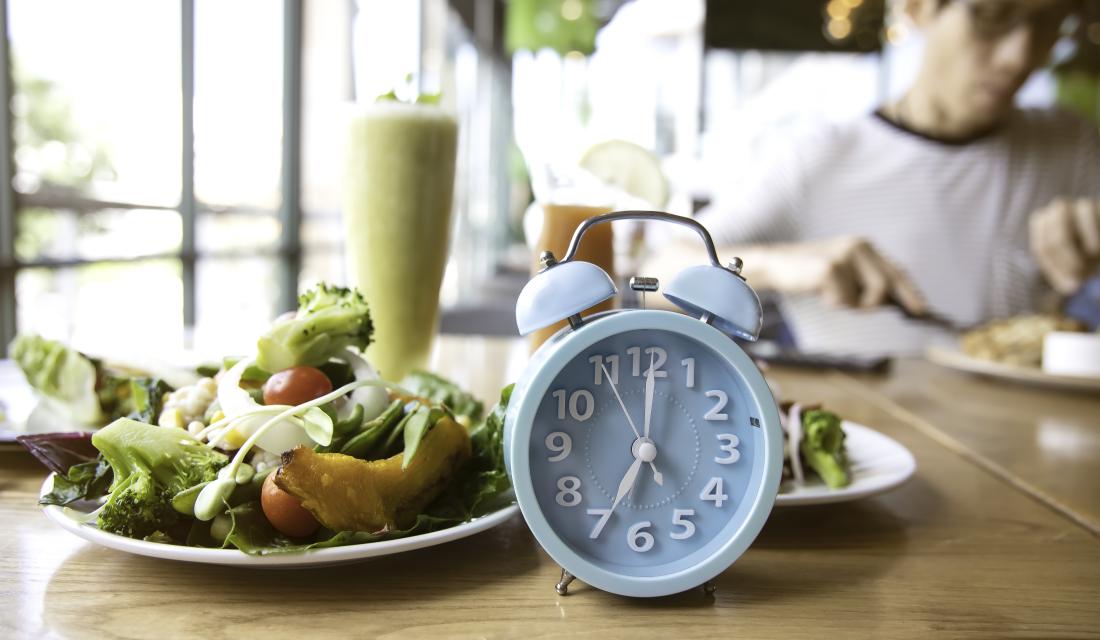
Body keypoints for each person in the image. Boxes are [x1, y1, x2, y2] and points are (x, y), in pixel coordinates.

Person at [651, 0, 1100, 355]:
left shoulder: (1070, 145)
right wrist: (786, 263)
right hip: (867, 438)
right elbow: (658, 275)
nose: (1021, 55)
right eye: (992, 16)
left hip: (1020, 446)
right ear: (920, 8)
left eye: (1048, 24)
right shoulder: (819, 156)